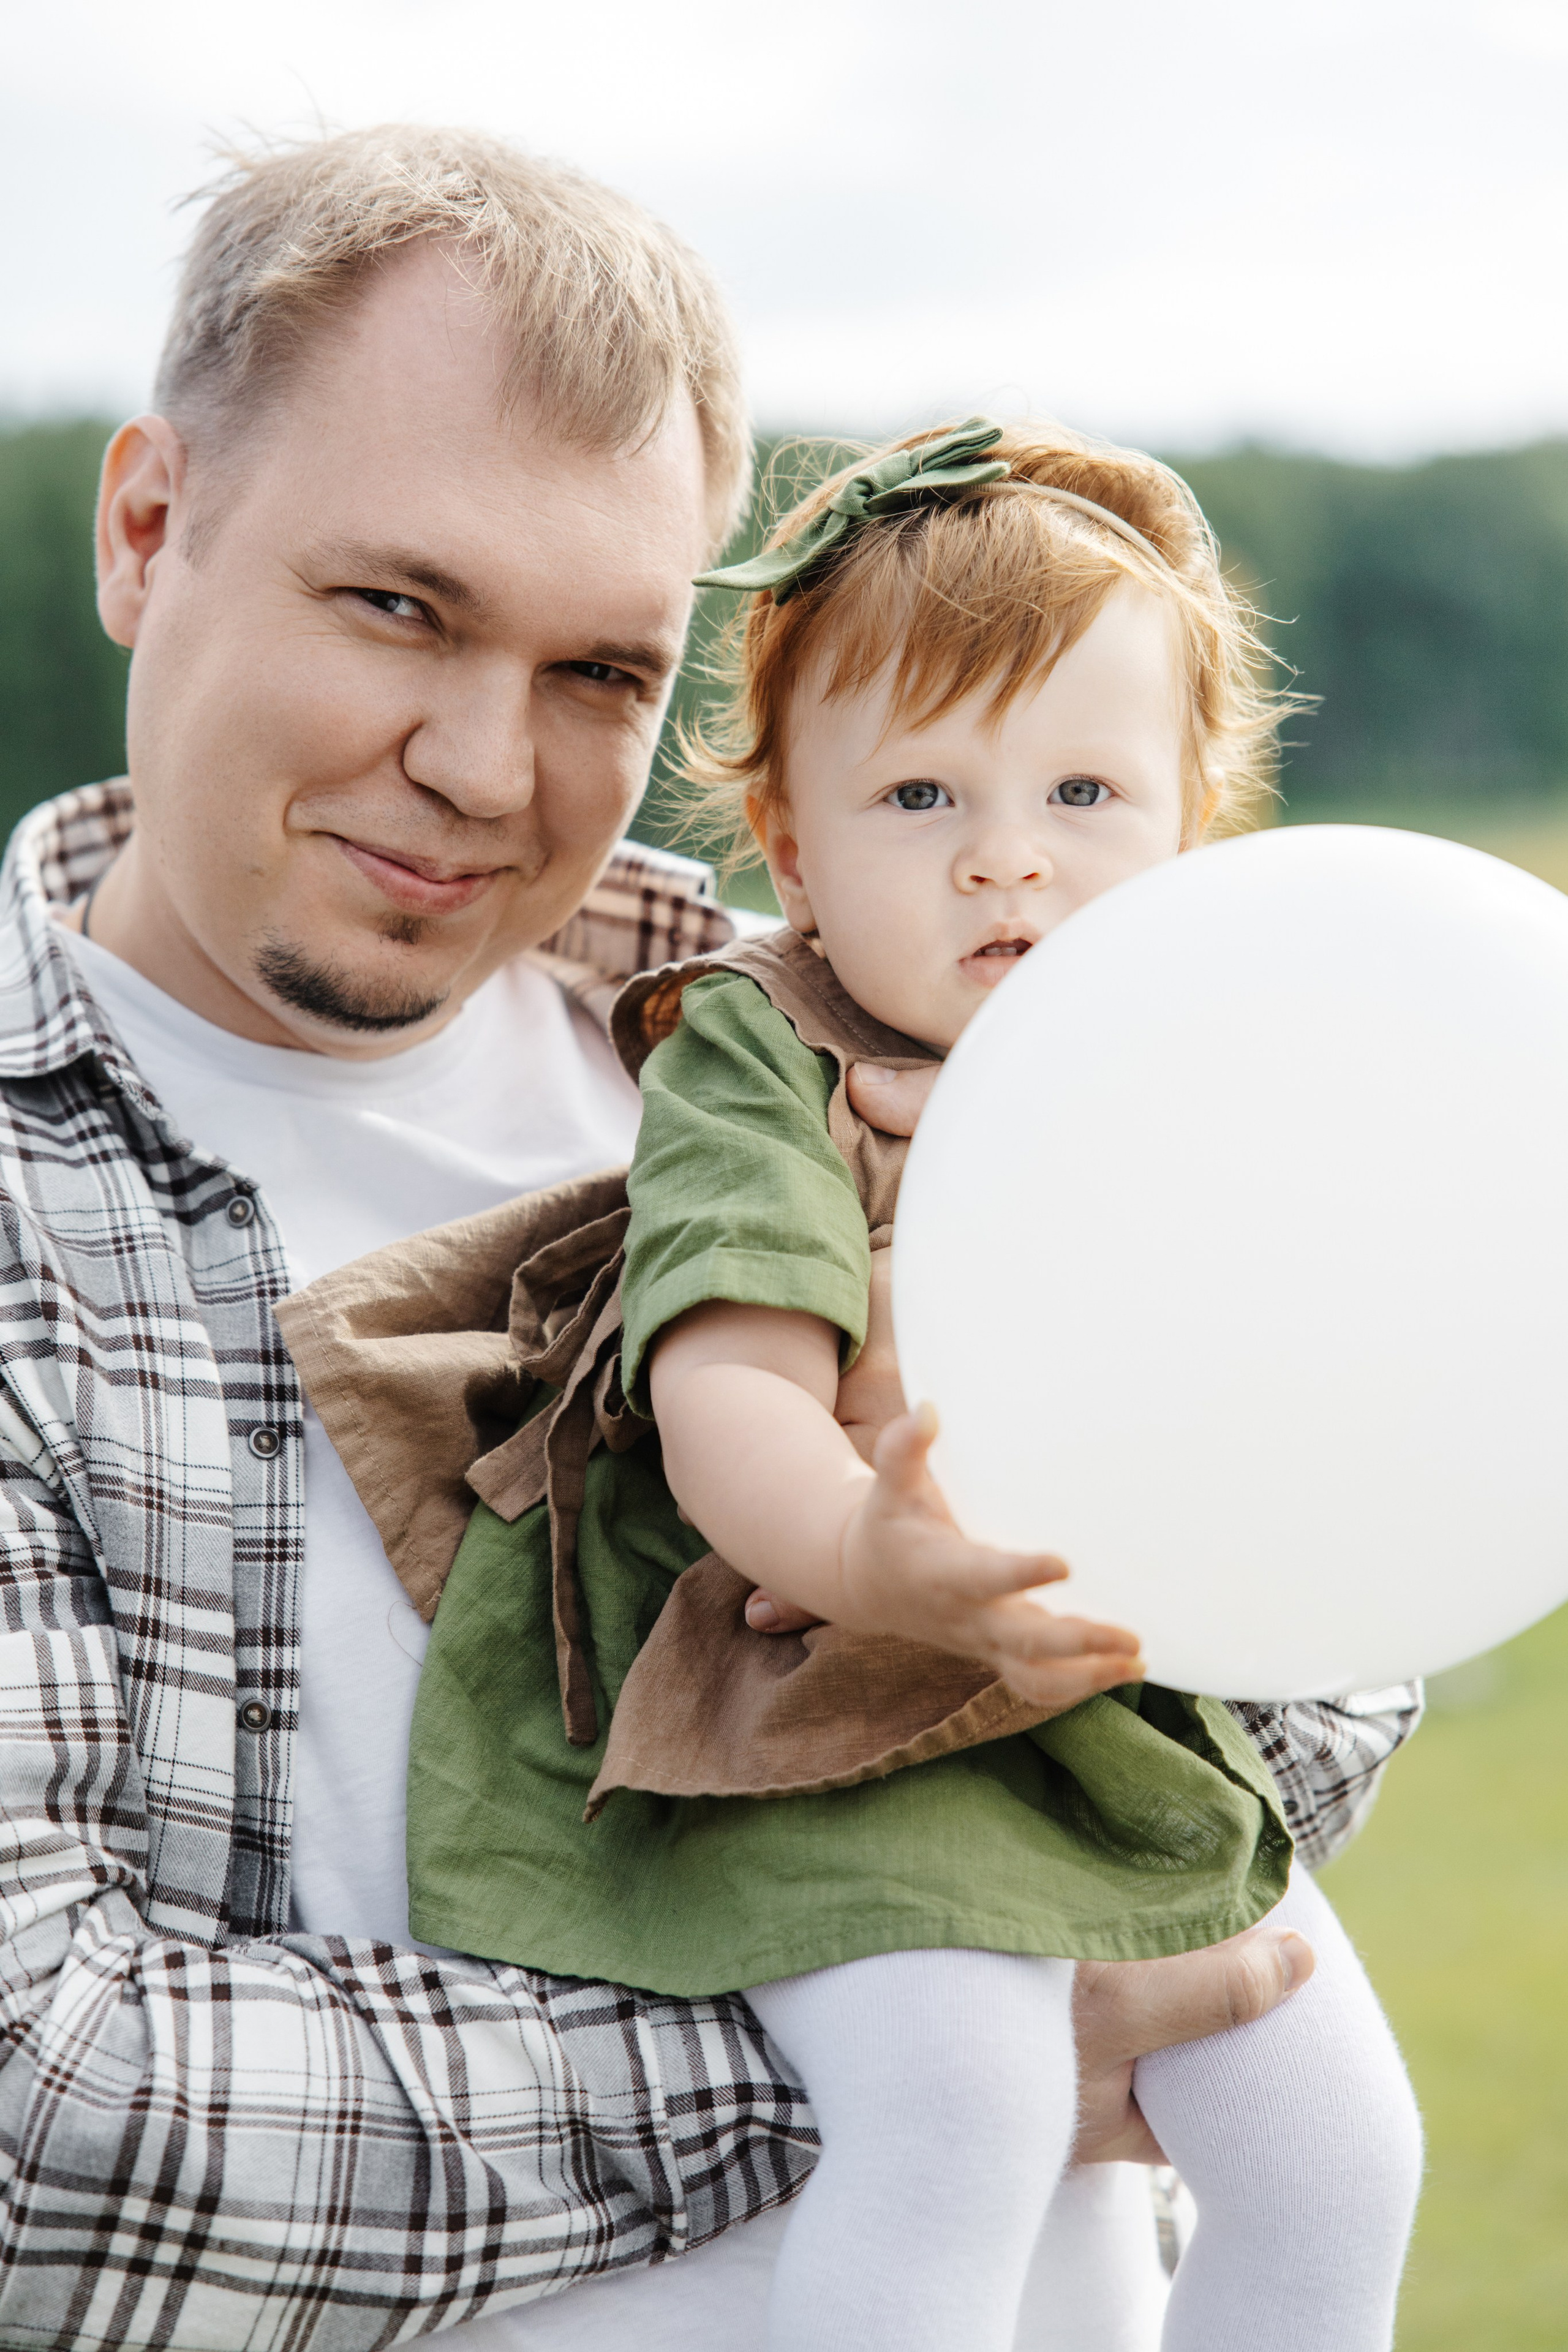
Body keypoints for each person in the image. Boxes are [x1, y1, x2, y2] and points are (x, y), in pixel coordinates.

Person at [0, 126, 1419, 2351]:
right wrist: (910, 2025)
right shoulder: (30, 1214)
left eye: (599, 669)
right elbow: (47, 2122)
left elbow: (1351, 1634)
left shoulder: (893, 1033)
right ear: (149, 528)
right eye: (400, 607)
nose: (487, 766)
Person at [386, 418, 1423, 2350]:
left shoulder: (1177, 1072)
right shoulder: (766, 1058)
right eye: (923, 793)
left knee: (1337, 2151)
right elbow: (729, 1394)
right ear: (793, 850)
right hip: (822, 1694)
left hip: (1090, 1708)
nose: (1007, 853)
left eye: (1086, 790)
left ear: (1190, 828)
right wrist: (872, 1549)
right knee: (964, 2108)